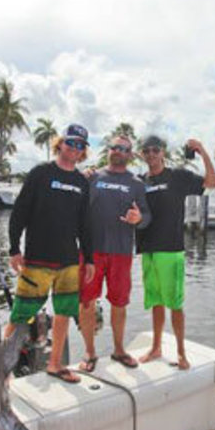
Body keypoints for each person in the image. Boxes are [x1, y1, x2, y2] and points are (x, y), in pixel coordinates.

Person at [6, 124, 94, 384]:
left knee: (64, 313)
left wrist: (88, 258)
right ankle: (2, 369)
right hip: (37, 260)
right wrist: (14, 248)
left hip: (69, 261)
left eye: (80, 145)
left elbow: (85, 224)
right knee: (20, 314)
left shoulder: (81, 182)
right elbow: (19, 212)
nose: (75, 148)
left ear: (83, 151)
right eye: (71, 142)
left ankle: (55, 364)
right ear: (60, 144)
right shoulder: (40, 173)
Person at [137, 135, 215, 369]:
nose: (151, 154)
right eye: (146, 151)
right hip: (148, 250)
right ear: (142, 154)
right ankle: (156, 347)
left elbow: (211, 182)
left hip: (171, 250)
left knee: (175, 304)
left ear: (162, 152)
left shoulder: (178, 176)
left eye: (155, 150)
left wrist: (202, 150)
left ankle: (182, 353)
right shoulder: (140, 181)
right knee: (156, 302)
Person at [78, 135, 151, 372]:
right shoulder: (92, 177)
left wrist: (138, 219)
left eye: (124, 149)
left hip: (121, 252)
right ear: (108, 150)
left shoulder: (137, 183)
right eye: (115, 147)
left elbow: (147, 216)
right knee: (87, 302)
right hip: (91, 252)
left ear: (130, 155)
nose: (119, 151)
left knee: (119, 303)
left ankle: (119, 350)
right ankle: (89, 352)